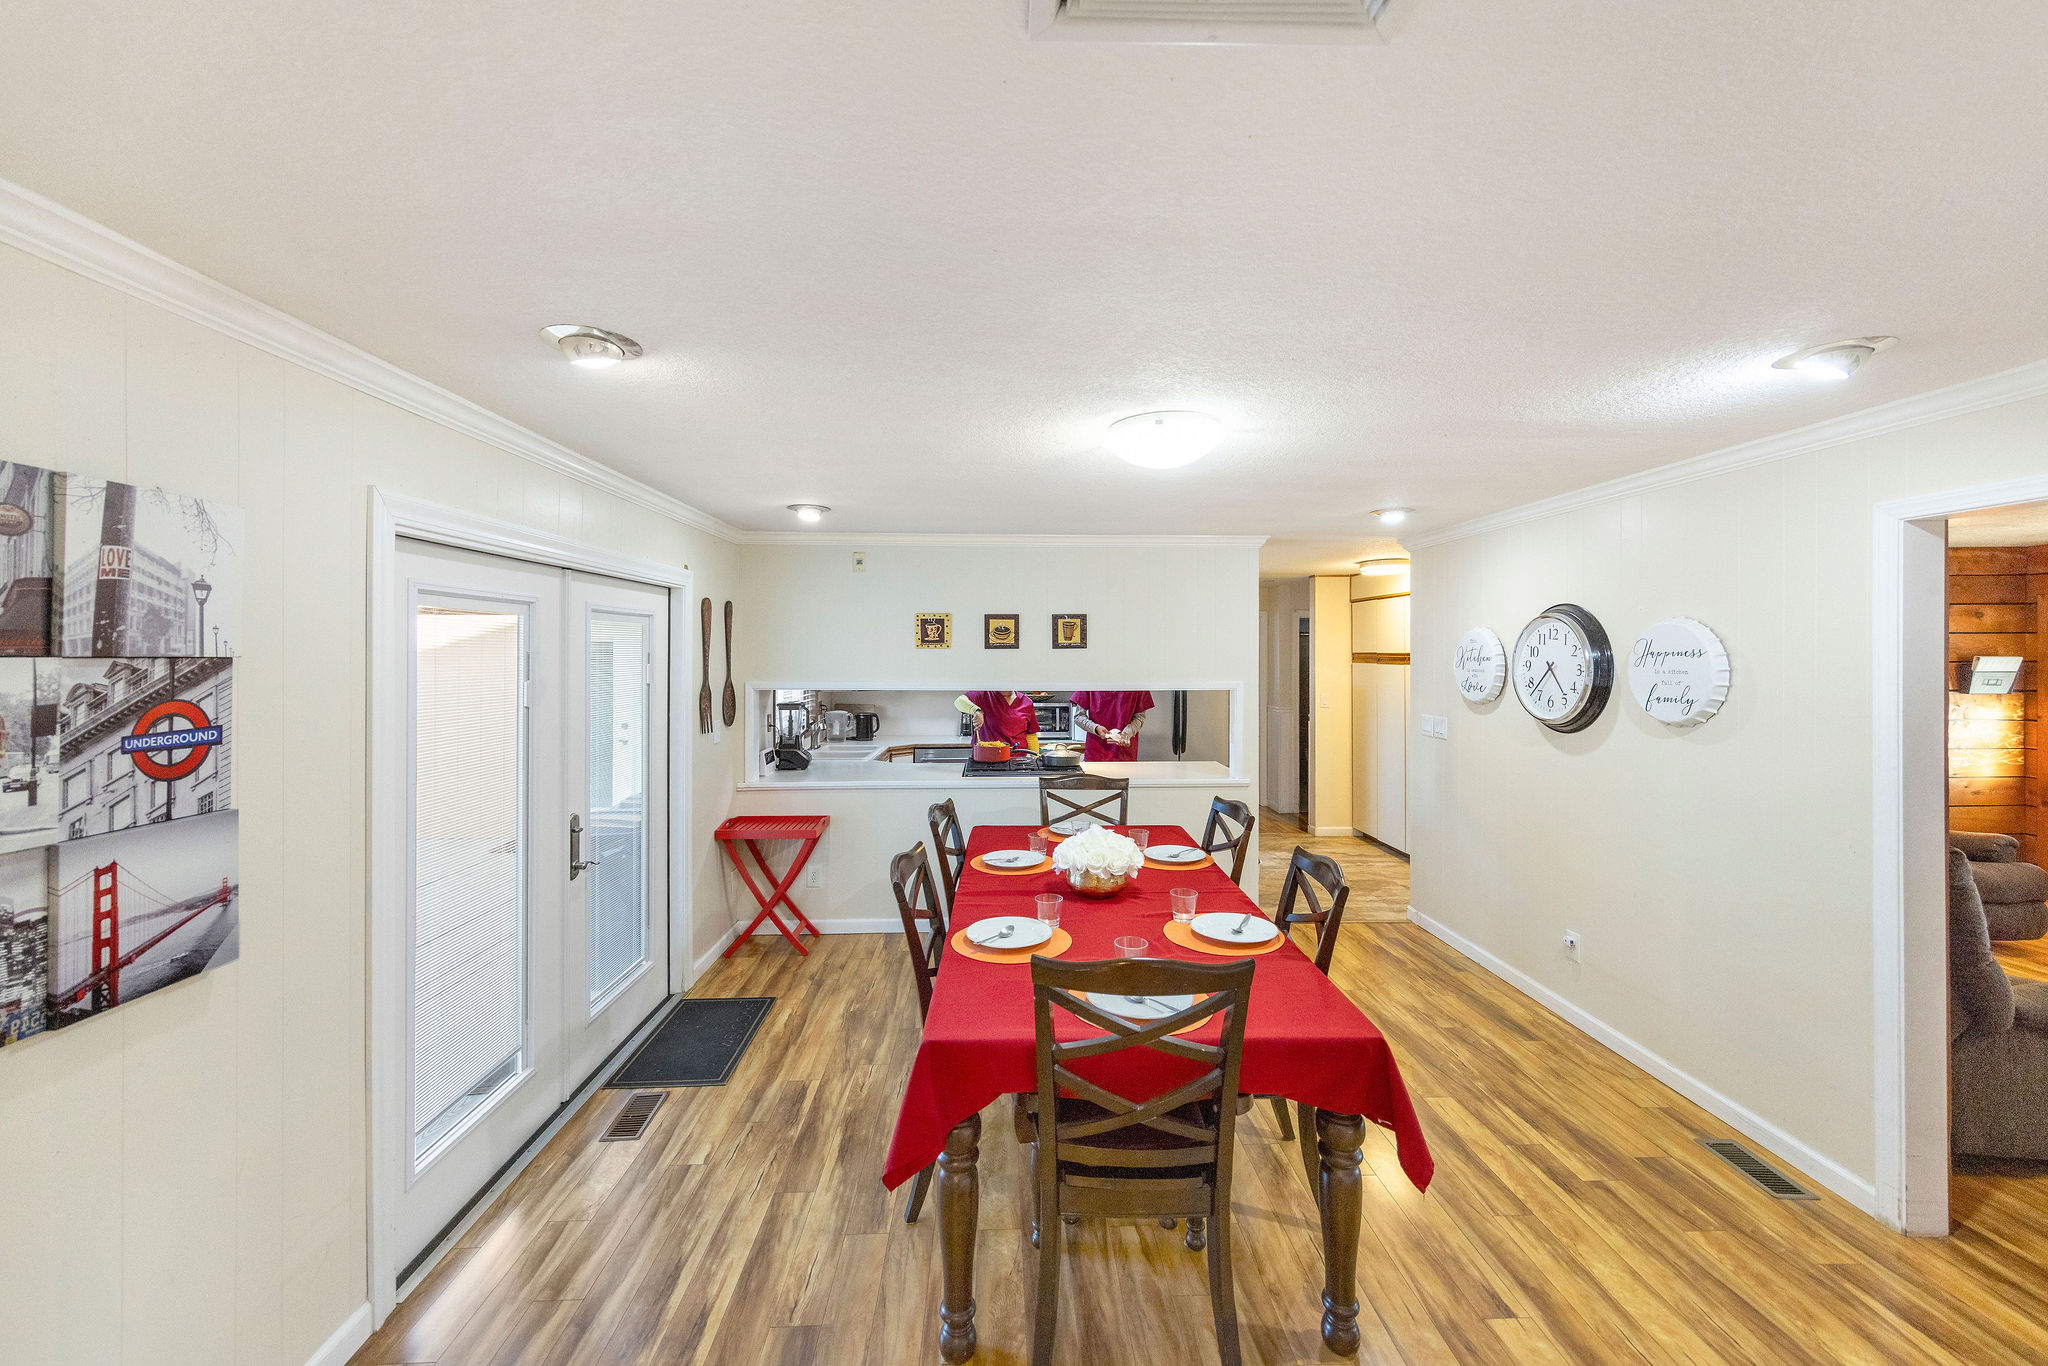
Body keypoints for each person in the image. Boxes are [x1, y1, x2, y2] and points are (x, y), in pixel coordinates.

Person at [1068, 690, 1155, 762]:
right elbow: (1078, 716)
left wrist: (1127, 733)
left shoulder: (1136, 682)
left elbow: (1139, 718)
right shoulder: (1091, 680)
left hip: (1124, 753)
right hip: (1096, 752)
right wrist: (1095, 728)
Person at [960, 690, 1040, 754]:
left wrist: (1036, 758)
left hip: (1017, 760)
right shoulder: (983, 695)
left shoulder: (1026, 702)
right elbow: (960, 700)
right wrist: (976, 711)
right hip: (985, 757)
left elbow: (1031, 735)